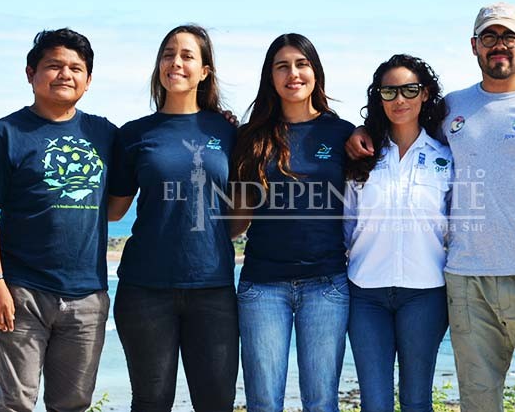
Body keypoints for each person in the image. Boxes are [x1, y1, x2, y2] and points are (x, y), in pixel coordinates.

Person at [345, 2, 515, 412]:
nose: (499, 45)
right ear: (475, 46)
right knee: (477, 402)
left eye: (508, 37)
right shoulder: (452, 108)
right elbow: (402, 123)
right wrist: (360, 130)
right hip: (465, 280)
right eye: (489, 37)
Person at [0, 28, 116, 412]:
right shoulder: (5, 134)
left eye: (76, 68)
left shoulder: (103, 133)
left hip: (87, 293)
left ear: (88, 80)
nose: (65, 74)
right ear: (30, 73)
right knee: (16, 401)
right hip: (22, 291)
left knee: (73, 403)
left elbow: (122, 199)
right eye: (53, 66)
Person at [107, 24, 239, 412]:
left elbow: (242, 209)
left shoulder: (229, 132)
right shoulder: (133, 134)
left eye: (186, 56)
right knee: (151, 403)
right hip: (144, 290)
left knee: (216, 403)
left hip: (213, 289)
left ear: (205, 71)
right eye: (168, 54)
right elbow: (113, 210)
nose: (175, 62)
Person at [230, 33, 356, 412]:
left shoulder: (342, 134)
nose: (293, 73)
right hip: (262, 287)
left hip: (327, 285)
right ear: (270, 76)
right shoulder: (250, 136)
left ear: (315, 72)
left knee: (321, 402)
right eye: (282, 66)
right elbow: (237, 218)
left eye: (301, 64)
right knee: (263, 403)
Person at [343, 54, 451, 412]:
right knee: (374, 403)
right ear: (379, 97)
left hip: (426, 294)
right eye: (389, 92)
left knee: (417, 401)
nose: (399, 100)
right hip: (365, 294)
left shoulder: (447, 157)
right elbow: (346, 225)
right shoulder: (362, 155)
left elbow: (457, 226)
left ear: (425, 94)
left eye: (409, 90)